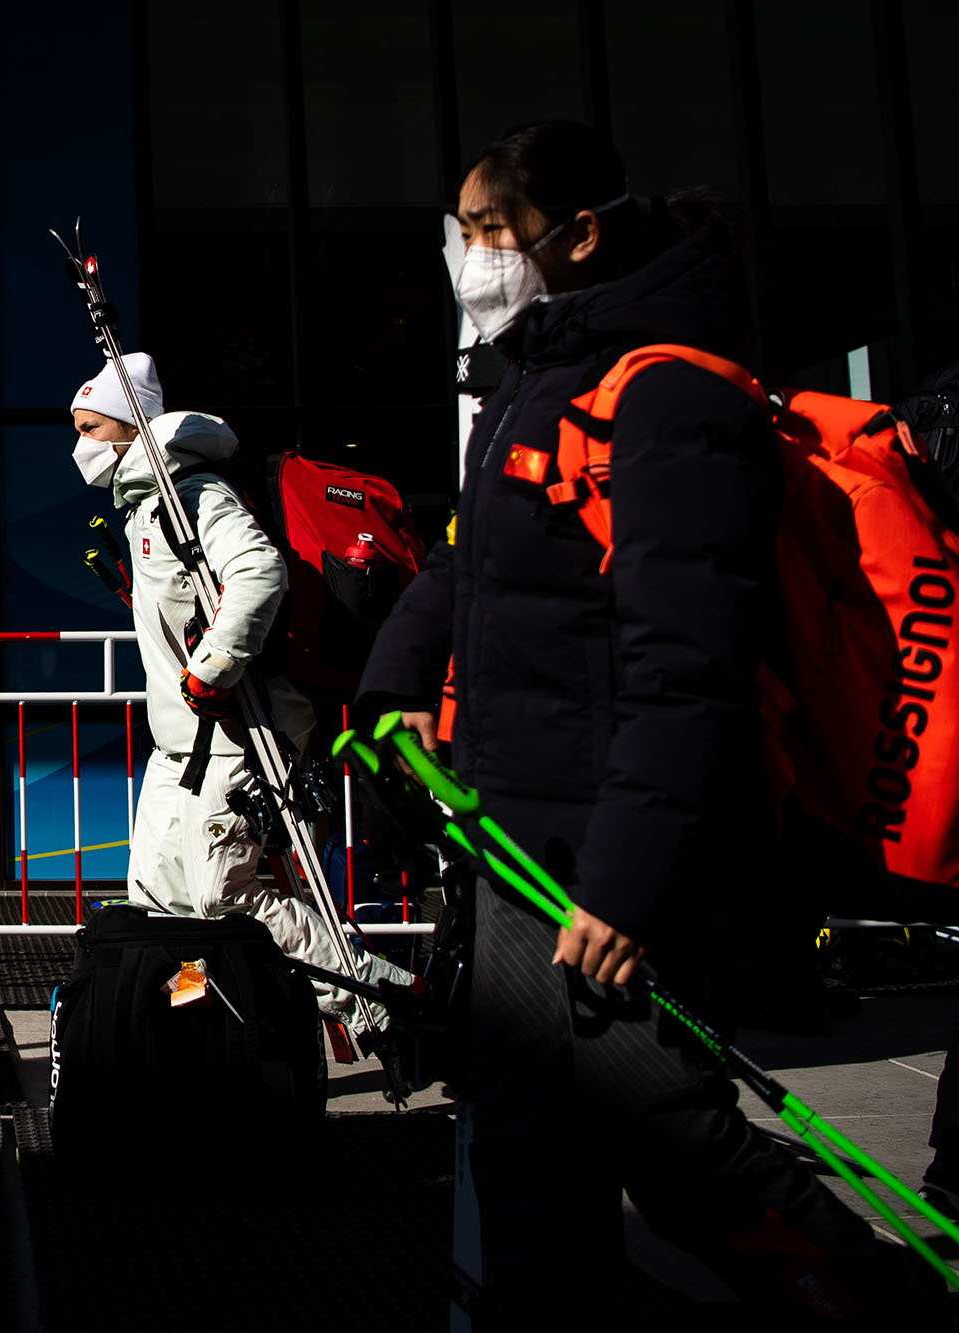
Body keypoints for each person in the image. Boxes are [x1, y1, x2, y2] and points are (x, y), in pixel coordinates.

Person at [358, 119, 946, 1325]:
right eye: (459, 229)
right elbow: (467, 568)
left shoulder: (671, 395)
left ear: (573, 235)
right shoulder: (531, 378)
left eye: (487, 229)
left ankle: (889, 1305)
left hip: (631, 861)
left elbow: (690, 665)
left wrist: (625, 886)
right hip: (517, 840)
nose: (467, 254)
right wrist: (390, 684)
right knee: (524, 1142)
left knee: (668, 1138)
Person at [70, 353, 412, 1034]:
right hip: (182, 747)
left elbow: (259, 570)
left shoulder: (194, 494)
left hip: (235, 736)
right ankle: (190, 1022)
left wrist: (213, 665)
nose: (79, 444)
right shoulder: (146, 505)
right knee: (159, 896)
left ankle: (375, 992)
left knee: (220, 897)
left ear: (130, 425)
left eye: (89, 425)